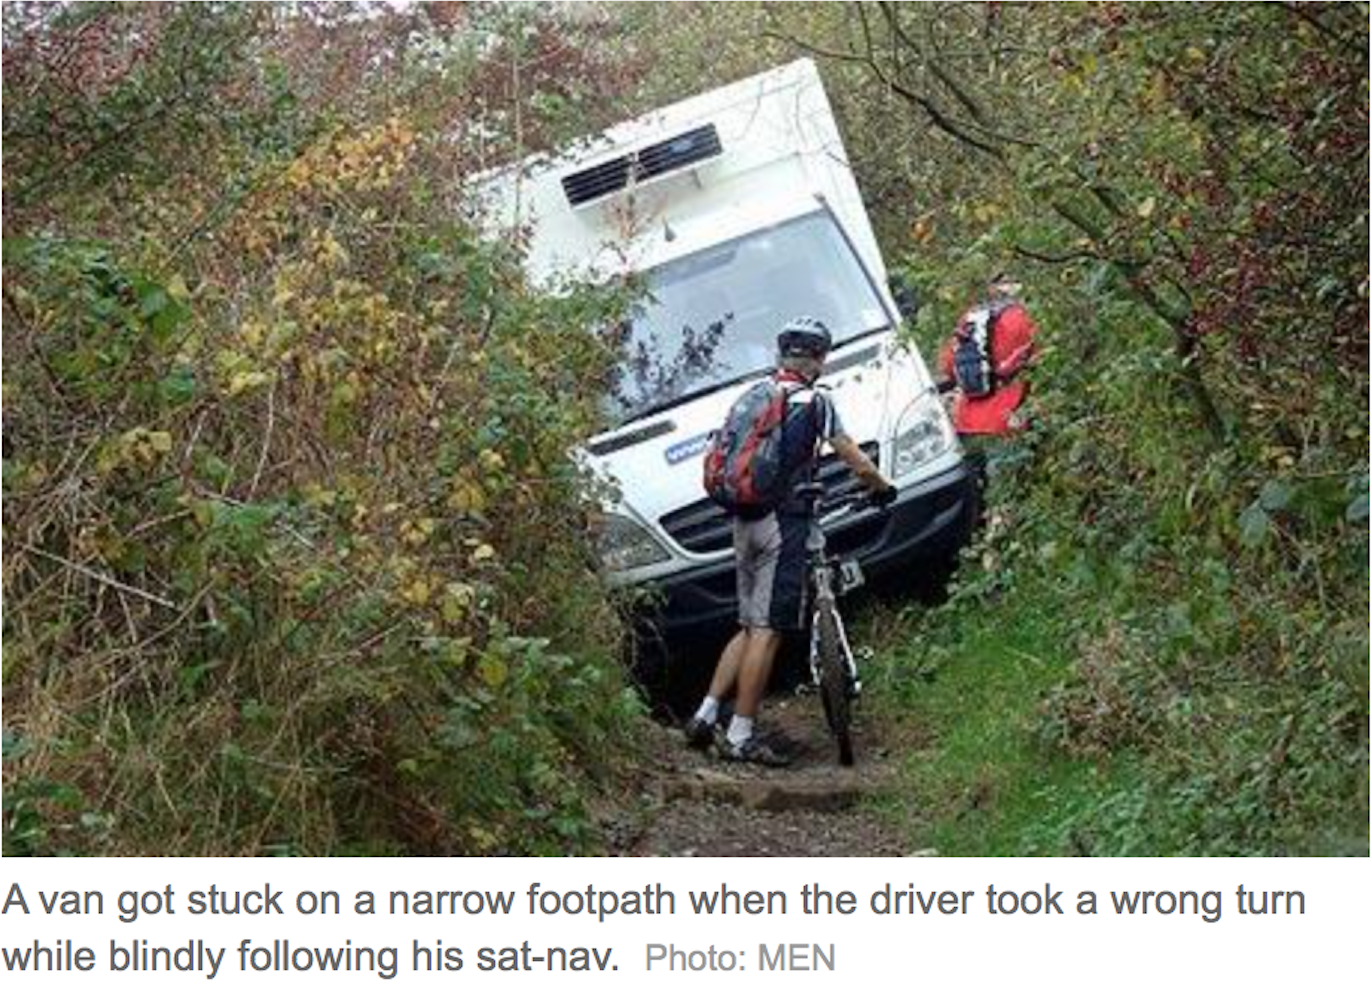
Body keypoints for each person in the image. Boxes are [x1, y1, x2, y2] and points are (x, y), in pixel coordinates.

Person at [684, 317, 896, 766]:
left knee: (747, 624)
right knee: (768, 629)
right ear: (818, 358)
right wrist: (881, 485)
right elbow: (852, 457)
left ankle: (705, 715)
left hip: (743, 520)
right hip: (784, 522)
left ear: (783, 356)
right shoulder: (815, 401)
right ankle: (741, 734)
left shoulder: (752, 396)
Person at [938, 272, 1039, 439]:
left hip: (966, 422)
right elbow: (1046, 363)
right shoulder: (1026, 317)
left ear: (991, 289)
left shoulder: (971, 318)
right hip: (1008, 418)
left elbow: (948, 365)